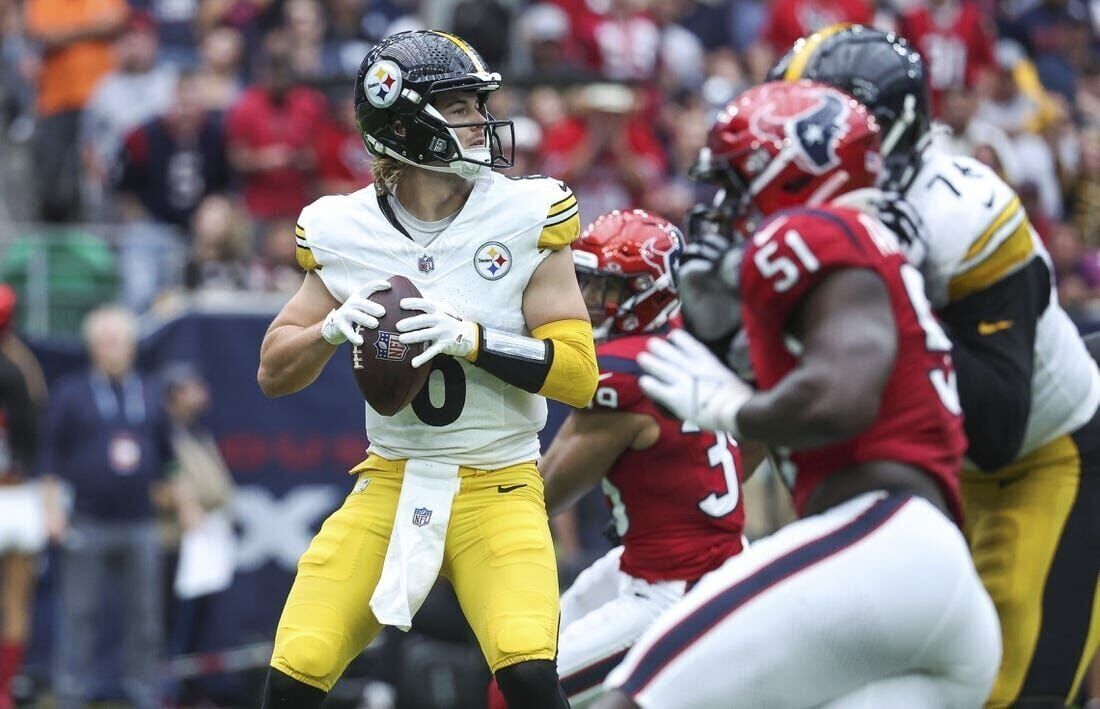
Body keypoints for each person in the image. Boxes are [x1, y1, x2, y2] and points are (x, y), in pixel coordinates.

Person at [594, 80, 1000, 708]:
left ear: (788, 173)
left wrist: (731, 407)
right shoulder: (865, 249)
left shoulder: (816, 232)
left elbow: (841, 398)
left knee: (634, 698)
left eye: (735, 183)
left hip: (882, 545)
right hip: (933, 579)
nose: (725, 206)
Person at [256, 30, 598, 708]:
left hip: (499, 482)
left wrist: (473, 340)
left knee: (527, 667)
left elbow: (580, 375)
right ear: (405, 120)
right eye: (462, 106)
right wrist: (326, 328)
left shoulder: (526, 212)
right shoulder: (342, 227)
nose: (481, 120)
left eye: (478, 105)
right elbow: (273, 371)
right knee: (299, 662)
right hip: (390, 479)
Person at [771, 24, 1100, 706]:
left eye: (815, 126)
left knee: (1007, 691)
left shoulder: (959, 213)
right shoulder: (802, 212)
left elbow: (998, 426)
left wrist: (897, 289)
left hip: (1044, 459)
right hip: (926, 483)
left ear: (883, 132)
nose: (790, 147)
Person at [528, 209, 747, 708]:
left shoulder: (623, 372)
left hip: (676, 584)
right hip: (686, 560)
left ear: (651, 292)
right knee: (526, 651)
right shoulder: (687, 345)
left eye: (608, 289)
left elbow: (545, 494)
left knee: (518, 689)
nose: (588, 301)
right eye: (586, 282)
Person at [40, 304, 176, 709]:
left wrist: (183, 503)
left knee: (146, 616)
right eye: (105, 342)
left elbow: (170, 457)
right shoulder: (70, 393)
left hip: (141, 521)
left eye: (120, 341)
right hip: (87, 519)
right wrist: (52, 511)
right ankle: (71, 691)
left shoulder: (150, 392)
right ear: (93, 348)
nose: (114, 349)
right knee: (79, 613)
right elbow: (50, 459)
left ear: (133, 346)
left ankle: (144, 691)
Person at [0, 286, 46, 709]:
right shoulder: (19, 365)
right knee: (16, 601)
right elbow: (36, 411)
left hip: (10, 496)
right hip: (16, 493)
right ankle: (4, 691)